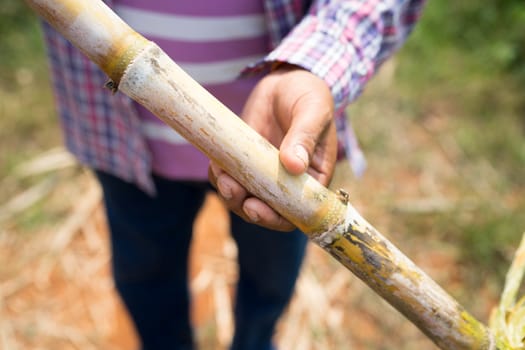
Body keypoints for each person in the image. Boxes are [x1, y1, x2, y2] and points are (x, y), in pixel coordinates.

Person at [41, 0, 425, 349]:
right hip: (120, 141)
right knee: (145, 276)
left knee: (271, 278)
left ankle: (255, 341)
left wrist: (312, 65)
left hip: (272, 150)